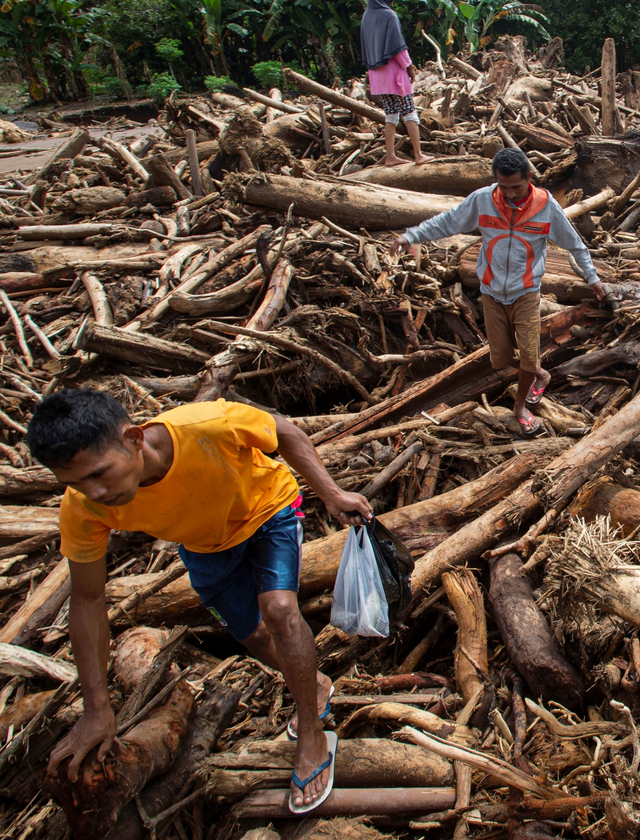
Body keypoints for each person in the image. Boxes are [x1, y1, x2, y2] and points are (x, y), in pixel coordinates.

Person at [26, 390, 372, 813]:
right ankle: (314, 685)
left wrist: (332, 493)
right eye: (75, 483)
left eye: (100, 474)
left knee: (279, 610)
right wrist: (97, 709)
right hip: (204, 545)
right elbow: (87, 599)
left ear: (134, 438)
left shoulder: (205, 426)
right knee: (253, 636)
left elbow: (284, 431)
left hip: (267, 510)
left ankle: (313, 735)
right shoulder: (83, 507)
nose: (93, 492)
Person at [390, 147, 606, 436]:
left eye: (516, 187)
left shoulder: (545, 206)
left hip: (526, 292)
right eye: (503, 187)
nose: (510, 194)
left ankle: (521, 407)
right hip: (491, 292)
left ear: (529, 178)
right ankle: (539, 374)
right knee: (501, 360)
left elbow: (574, 244)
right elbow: (447, 221)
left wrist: (592, 277)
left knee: (529, 356)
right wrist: (411, 235)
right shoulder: (483, 200)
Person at [361, 0, 434, 167]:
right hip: (394, 74)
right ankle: (418, 154)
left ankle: (391, 156)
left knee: (391, 114)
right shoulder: (388, 15)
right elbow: (398, 47)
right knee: (409, 111)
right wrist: (409, 67)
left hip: (377, 76)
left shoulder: (367, 16)